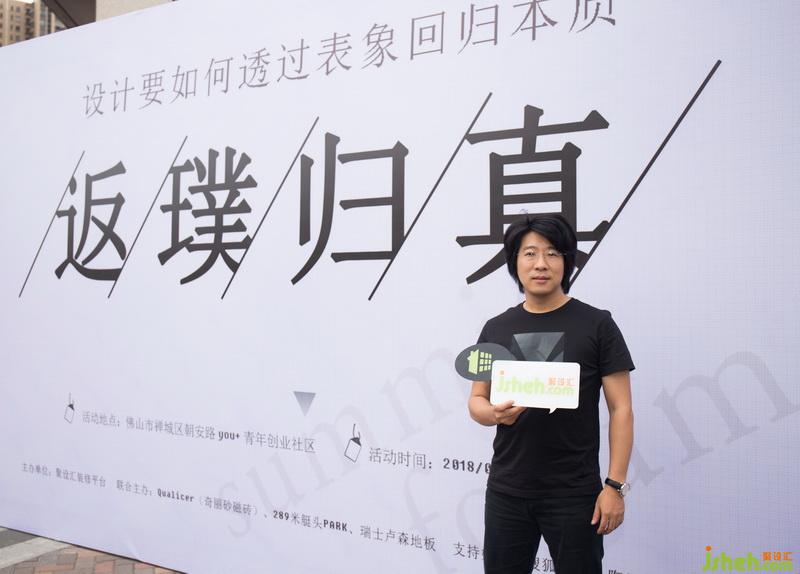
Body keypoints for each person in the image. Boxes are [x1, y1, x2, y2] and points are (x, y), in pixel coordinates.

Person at [468, 214, 635, 574]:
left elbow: (621, 409)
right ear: (515, 262)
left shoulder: (597, 324)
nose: (541, 264)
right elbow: (476, 400)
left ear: (567, 261)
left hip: (575, 494)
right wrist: (493, 414)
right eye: (530, 253)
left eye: (553, 253)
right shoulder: (495, 328)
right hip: (507, 491)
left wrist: (614, 486)